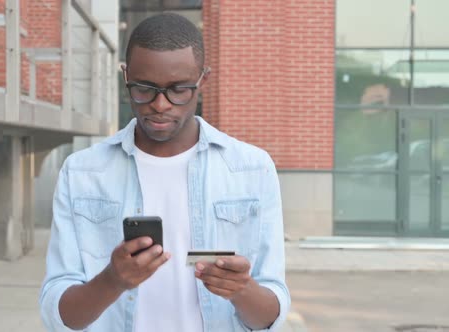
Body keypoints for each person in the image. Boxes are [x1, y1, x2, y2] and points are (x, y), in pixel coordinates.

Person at [40, 13, 290, 332]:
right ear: (125, 75)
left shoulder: (251, 169)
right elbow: (58, 317)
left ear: (203, 81)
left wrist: (241, 290)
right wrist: (111, 281)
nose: (160, 104)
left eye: (179, 89)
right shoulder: (83, 172)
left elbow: (269, 316)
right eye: (144, 89)